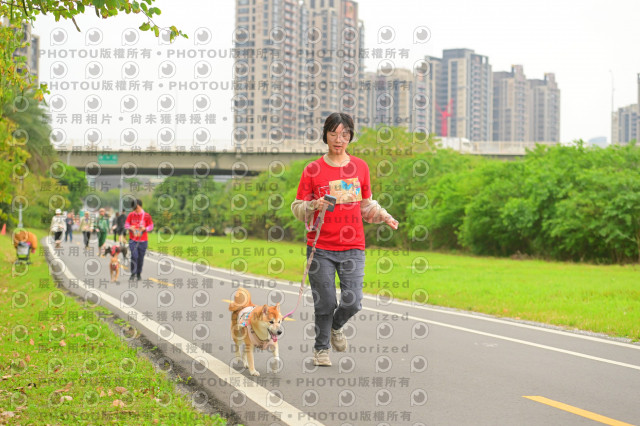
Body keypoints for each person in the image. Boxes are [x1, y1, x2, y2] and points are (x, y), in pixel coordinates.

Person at [291, 112, 399, 367]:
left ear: (350, 137)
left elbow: (365, 204)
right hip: (320, 247)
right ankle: (321, 349)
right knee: (326, 302)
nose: (339, 139)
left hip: (353, 246)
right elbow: (297, 208)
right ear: (325, 135)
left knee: (353, 301)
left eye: (344, 134)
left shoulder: (360, 167)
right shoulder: (313, 169)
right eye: (333, 134)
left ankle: (336, 326)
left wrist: (383, 215)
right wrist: (314, 204)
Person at [125, 199, 154, 281]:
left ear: (140, 206)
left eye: (136, 208)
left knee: (140, 258)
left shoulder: (146, 215)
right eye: (133, 208)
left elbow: (151, 226)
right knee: (134, 256)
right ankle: (133, 273)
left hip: (143, 240)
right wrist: (130, 227)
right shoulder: (131, 215)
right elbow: (126, 225)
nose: (135, 210)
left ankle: (138, 273)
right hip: (133, 240)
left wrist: (145, 228)